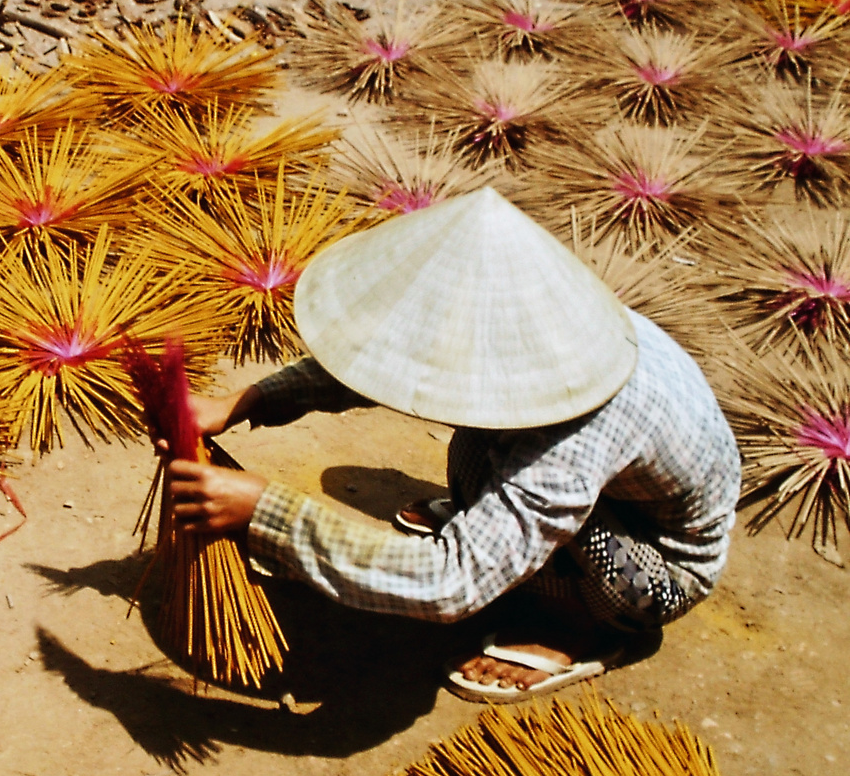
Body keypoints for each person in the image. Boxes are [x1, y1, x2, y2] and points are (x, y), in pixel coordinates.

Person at [163, 188, 740, 702]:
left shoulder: (579, 429)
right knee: (475, 441)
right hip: (597, 489)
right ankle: (503, 532)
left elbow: (448, 585)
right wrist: (245, 402)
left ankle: (576, 629)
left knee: (498, 542)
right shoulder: (544, 325)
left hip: (649, 566)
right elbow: (386, 359)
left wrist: (270, 513)